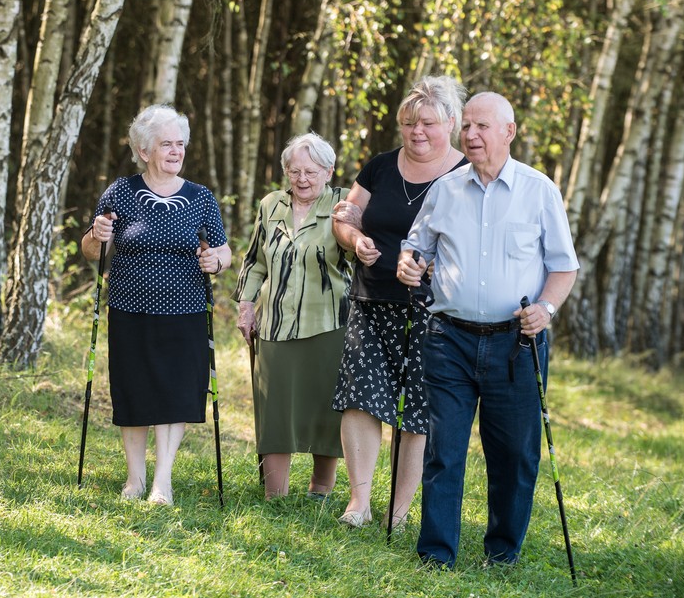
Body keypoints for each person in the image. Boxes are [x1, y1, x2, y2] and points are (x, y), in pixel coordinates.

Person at [397, 91, 579, 569]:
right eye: (467, 127)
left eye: (482, 126)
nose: (471, 135)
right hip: (449, 339)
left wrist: (546, 308)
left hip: (517, 343)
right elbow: (417, 248)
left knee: (514, 457)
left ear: (509, 132)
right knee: (444, 450)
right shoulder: (445, 189)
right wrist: (409, 265)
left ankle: (501, 552)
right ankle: (436, 554)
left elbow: (564, 268)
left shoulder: (539, 190)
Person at [330, 76, 467, 528]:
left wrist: (432, 265)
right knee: (361, 398)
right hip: (372, 300)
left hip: (435, 310)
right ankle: (360, 503)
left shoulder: (465, 175)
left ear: (450, 122)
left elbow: (475, 244)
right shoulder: (380, 167)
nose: (417, 131)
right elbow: (346, 217)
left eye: (427, 122)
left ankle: (399, 511)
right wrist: (355, 240)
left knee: (418, 411)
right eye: (409, 123)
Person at [81, 104, 231, 505]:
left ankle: (163, 480)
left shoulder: (200, 198)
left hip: (186, 311)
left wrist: (215, 261)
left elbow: (222, 250)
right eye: (166, 144)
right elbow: (92, 249)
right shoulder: (120, 192)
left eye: (180, 144)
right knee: (134, 392)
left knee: (175, 392)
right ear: (144, 150)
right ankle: (135, 478)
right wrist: (96, 235)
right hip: (130, 310)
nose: (175, 151)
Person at [233, 132, 351, 500]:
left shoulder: (343, 205)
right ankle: (275, 495)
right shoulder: (271, 205)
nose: (302, 179)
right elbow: (254, 262)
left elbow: (360, 258)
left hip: (330, 323)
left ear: (329, 171)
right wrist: (246, 305)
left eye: (311, 171)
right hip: (275, 323)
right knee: (275, 411)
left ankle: (321, 491)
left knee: (325, 410)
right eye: (294, 171)